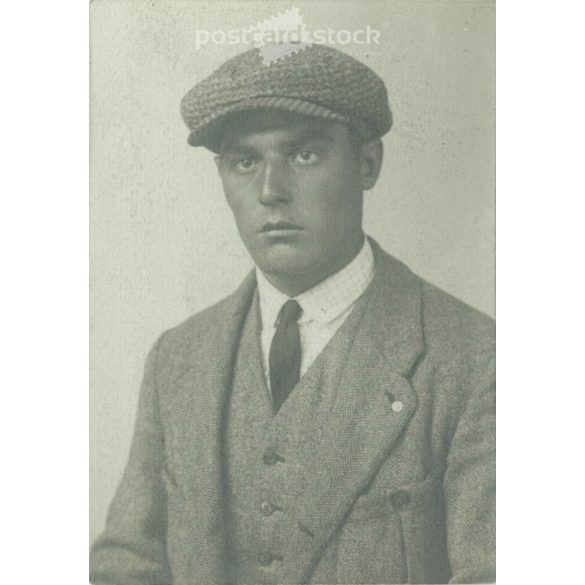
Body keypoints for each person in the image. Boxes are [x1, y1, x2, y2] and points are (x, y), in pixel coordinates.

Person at [90, 43, 495, 585]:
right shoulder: (178, 359)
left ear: (368, 163)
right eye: (245, 161)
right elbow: (125, 566)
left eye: (304, 154)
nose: (270, 191)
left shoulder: (477, 360)